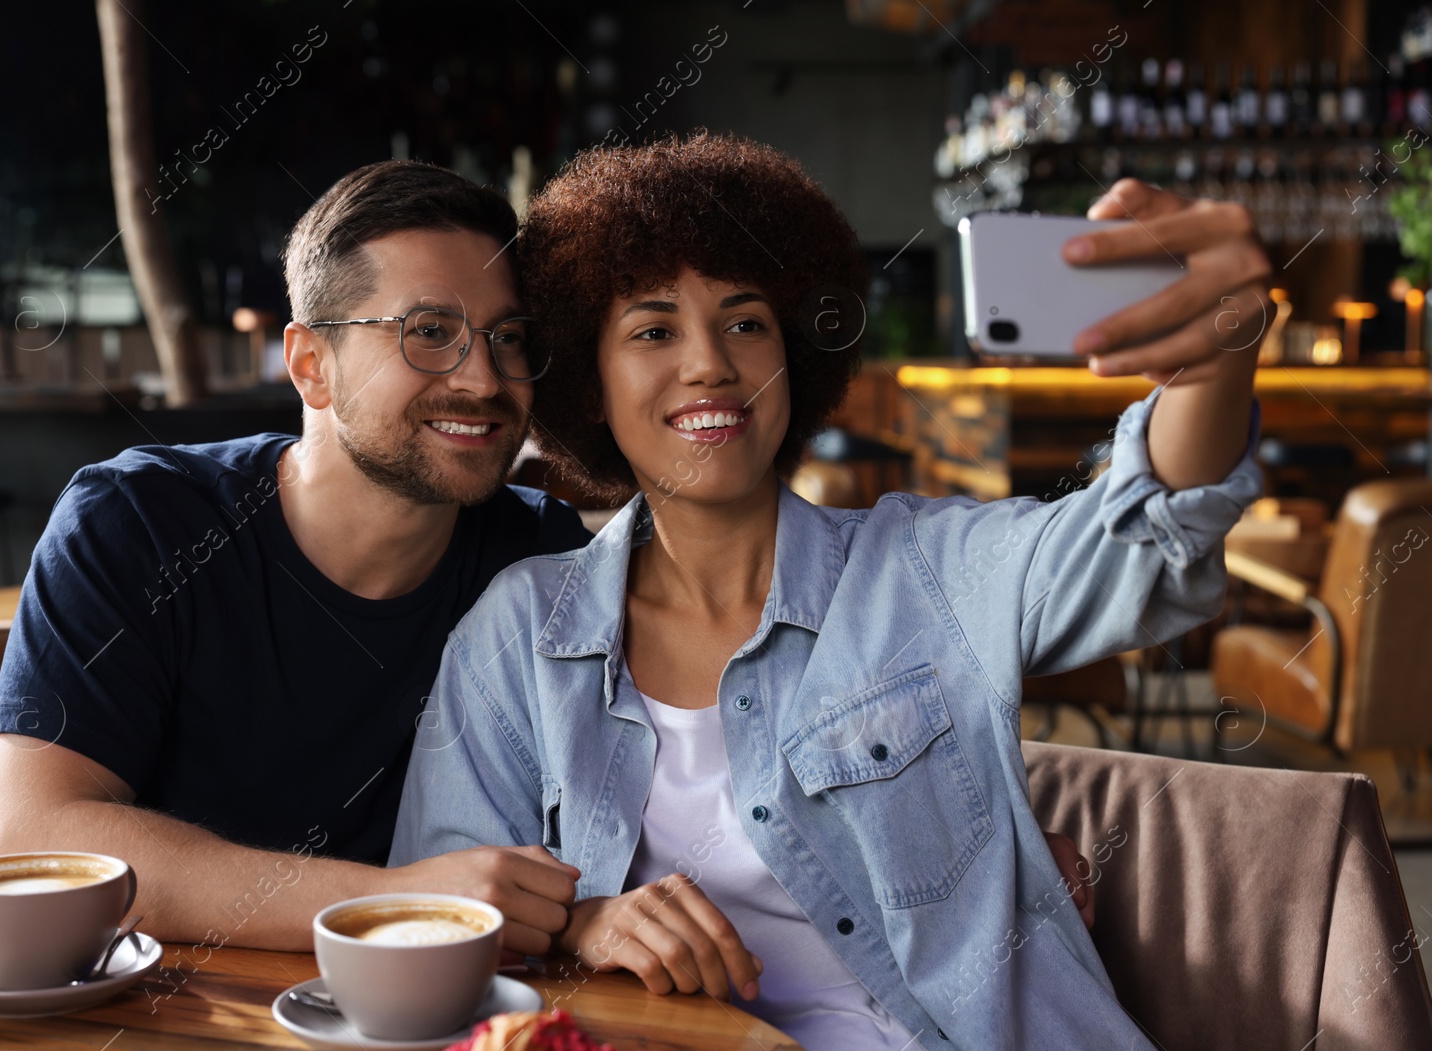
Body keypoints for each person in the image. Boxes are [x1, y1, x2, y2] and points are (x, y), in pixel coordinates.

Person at [391, 133, 1268, 1048]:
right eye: (653, 330)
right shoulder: (519, 634)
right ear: (590, 385)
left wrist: (1214, 360)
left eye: (746, 322)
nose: (710, 365)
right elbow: (440, 916)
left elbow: (1145, 546)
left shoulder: (923, 567)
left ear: (794, 356)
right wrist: (584, 922)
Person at [0, 162, 587, 954]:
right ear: (310, 365)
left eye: (507, 338)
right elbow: (33, 841)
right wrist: (393, 901)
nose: (483, 377)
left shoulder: (544, 555)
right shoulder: (139, 524)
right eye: (428, 331)